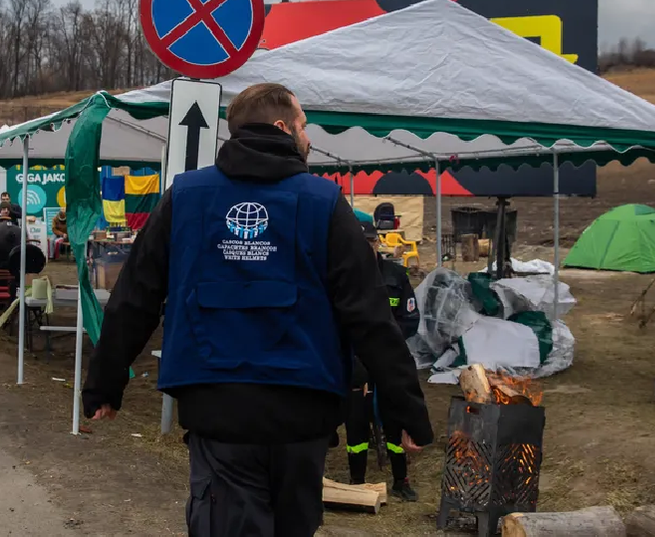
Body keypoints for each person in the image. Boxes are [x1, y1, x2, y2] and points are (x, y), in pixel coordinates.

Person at [82, 82, 433, 536]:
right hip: (301, 413)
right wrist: (406, 409)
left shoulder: (186, 197)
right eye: (304, 126)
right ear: (283, 127)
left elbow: (136, 296)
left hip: (217, 410)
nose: (309, 137)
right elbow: (368, 316)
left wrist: (106, 384)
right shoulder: (324, 202)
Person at [343, 220, 422, 501]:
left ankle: (401, 480)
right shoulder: (344, 276)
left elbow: (410, 319)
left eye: (371, 242)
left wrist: (385, 344)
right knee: (356, 422)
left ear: (378, 244)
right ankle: (357, 481)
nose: (367, 248)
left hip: (388, 360)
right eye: (360, 243)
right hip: (356, 362)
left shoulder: (396, 275)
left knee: (394, 420)